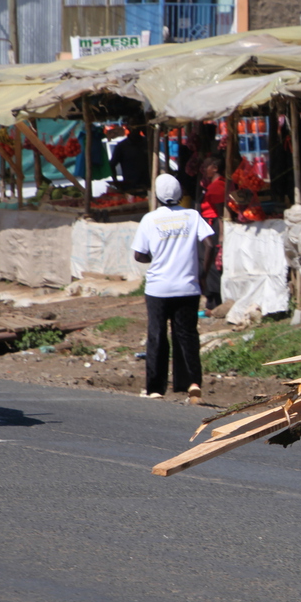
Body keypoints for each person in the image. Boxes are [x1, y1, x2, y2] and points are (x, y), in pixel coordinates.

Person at [132, 174, 215, 401]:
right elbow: (210, 244)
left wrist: (158, 256)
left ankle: (156, 388)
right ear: (180, 193)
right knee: (187, 335)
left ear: (157, 195)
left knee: (157, 336)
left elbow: (139, 254)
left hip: (158, 289)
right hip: (188, 287)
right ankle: (192, 383)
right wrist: (203, 275)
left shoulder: (150, 219)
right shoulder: (192, 215)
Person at [196, 158, 226, 308]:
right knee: (207, 261)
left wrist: (221, 234)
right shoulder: (212, 185)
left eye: (206, 166)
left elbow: (221, 213)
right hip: (208, 225)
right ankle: (211, 296)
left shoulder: (217, 187)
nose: (204, 169)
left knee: (211, 262)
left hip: (212, 227)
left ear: (214, 168)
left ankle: (215, 298)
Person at [110, 126, 150, 195]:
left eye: (137, 127)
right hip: (130, 187)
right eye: (133, 128)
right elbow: (112, 165)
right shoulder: (122, 146)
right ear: (128, 128)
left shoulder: (147, 143)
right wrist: (116, 182)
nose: (135, 129)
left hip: (147, 185)